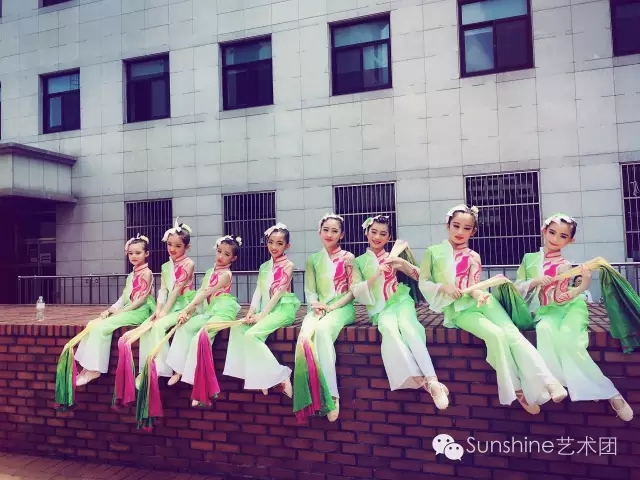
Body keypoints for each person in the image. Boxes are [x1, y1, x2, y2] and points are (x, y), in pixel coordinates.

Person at [419, 205, 569, 414]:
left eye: (467, 228)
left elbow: (474, 284)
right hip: (458, 310)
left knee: (512, 333)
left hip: (482, 301)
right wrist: (444, 288)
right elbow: (423, 281)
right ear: (448, 225)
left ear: (473, 231)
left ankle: (549, 382)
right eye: (456, 226)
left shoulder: (473, 256)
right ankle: (518, 390)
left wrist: (479, 294)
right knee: (496, 335)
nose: (460, 232)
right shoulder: (433, 252)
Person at [515, 213, 633, 422]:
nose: (555, 239)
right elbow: (516, 289)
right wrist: (535, 282)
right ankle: (565, 385)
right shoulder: (529, 259)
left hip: (570, 307)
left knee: (570, 342)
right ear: (544, 231)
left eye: (562, 236)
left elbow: (562, 297)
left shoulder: (565, 265)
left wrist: (582, 286)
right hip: (545, 311)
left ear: (570, 241)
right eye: (552, 232)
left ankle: (611, 393)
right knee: (544, 330)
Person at [351, 215, 449, 409]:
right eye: (374, 232)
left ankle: (433, 379)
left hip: (400, 299)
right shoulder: (358, 262)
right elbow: (356, 290)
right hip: (380, 309)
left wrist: (403, 264)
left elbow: (421, 277)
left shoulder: (394, 256)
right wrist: (377, 273)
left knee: (408, 326)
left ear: (389, 237)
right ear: (366, 233)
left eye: (383, 234)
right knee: (389, 329)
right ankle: (425, 383)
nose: (377, 237)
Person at [223, 223, 300, 397]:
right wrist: (251, 312)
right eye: (270, 242)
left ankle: (281, 376)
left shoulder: (288, 265)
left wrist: (262, 315)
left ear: (287, 245)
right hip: (266, 309)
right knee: (238, 328)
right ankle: (260, 377)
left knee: (251, 335)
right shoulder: (264, 266)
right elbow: (258, 291)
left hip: (282, 309)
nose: (274, 247)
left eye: (279, 243)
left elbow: (278, 293)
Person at [293, 213, 356, 422]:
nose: (329, 234)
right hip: (319, 308)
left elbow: (353, 291)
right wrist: (316, 306)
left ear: (342, 235)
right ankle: (314, 393)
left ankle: (332, 396)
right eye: (326, 230)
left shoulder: (348, 257)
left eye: (334, 231)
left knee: (321, 331)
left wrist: (332, 306)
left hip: (343, 308)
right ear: (319, 232)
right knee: (305, 338)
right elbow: (310, 291)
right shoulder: (313, 260)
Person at [120, 218, 196, 383]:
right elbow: (163, 291)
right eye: (169, 244)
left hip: (184, 306)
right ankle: (146, 368)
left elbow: (176, 290)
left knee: (158, 325)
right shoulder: (165, 266)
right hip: (169, 305)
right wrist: (158, 309)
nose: (172, 249)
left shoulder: (188, 264)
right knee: (146, 328)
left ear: (187, 247)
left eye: (178, 246)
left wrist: (164, 312)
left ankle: (162, 368)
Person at [74, 235, 155, 386]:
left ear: (146, 254)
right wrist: (111, 310)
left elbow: (142, 299)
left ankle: (94, 369)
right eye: (130, 253)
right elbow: (124, 297)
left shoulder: (147, 273)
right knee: (92, 324)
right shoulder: (132, 275)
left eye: (138, 253)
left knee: (103, 327)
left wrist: (122, 312)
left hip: (140, 311)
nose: (133, 256)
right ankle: (86, 366)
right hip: (129, 309)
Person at [165, 235, 242, 390]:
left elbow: (206, 292)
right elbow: (200, 292)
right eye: (219, 251)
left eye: (226, 254)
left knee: (200, 338)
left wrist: (186, 309)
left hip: (222, 312)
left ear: (233, 258)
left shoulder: (226, 274)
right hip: (209, 310)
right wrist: (188, 313)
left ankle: (196, 382)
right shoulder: (210, 272)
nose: (221, 256)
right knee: (184, 327)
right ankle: (178, 369)